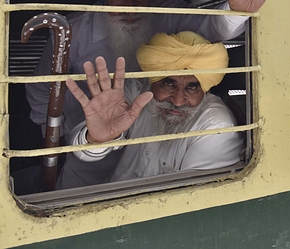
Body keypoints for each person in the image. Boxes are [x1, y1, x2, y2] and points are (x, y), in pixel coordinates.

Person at [27, 0, 287, 142]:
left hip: (153, 126)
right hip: (86, 131)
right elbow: (42, 87)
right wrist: (53, 138)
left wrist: (237, 11)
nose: (133, 7)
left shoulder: (166, 11)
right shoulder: (74, 30)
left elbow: (212, 29)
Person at [57, 31, 243, 189]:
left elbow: (189, 203)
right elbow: (82, 153)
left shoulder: (216, 126)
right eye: (168, 83)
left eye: (192, 87)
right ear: (152, 81)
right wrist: (97, 139)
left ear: (205, 88)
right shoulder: (133, 94)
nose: (178, 101)